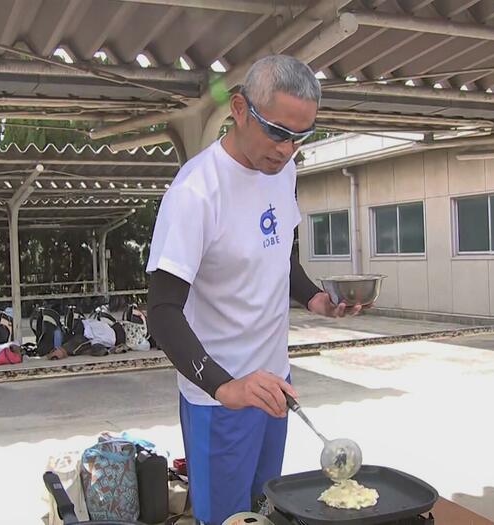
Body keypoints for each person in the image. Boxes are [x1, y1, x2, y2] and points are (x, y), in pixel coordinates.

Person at [146, 55, 361, 524]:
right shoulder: (196, 192)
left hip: (273, 385)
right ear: (240, 108)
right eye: (278, 132)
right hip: (219, 395)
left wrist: (316, 298)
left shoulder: (283, 171)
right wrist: (224, 386)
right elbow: (162, 310)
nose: (287, 150)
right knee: (226, 518)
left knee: (266, 510)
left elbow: (280, 254)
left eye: (300, 137)